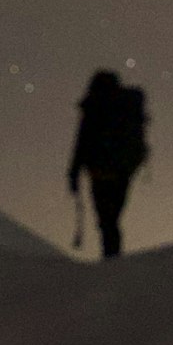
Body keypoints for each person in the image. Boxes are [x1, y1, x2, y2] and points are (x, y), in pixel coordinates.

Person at [67, 69, 150, 257]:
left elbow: (82, 143)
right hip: (123, 172)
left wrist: (73, 173)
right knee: (112, 218)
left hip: (99, 172)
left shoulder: (94, 107)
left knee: (106, 219)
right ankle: (113, 259)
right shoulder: (126, 107)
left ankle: (111, 260)